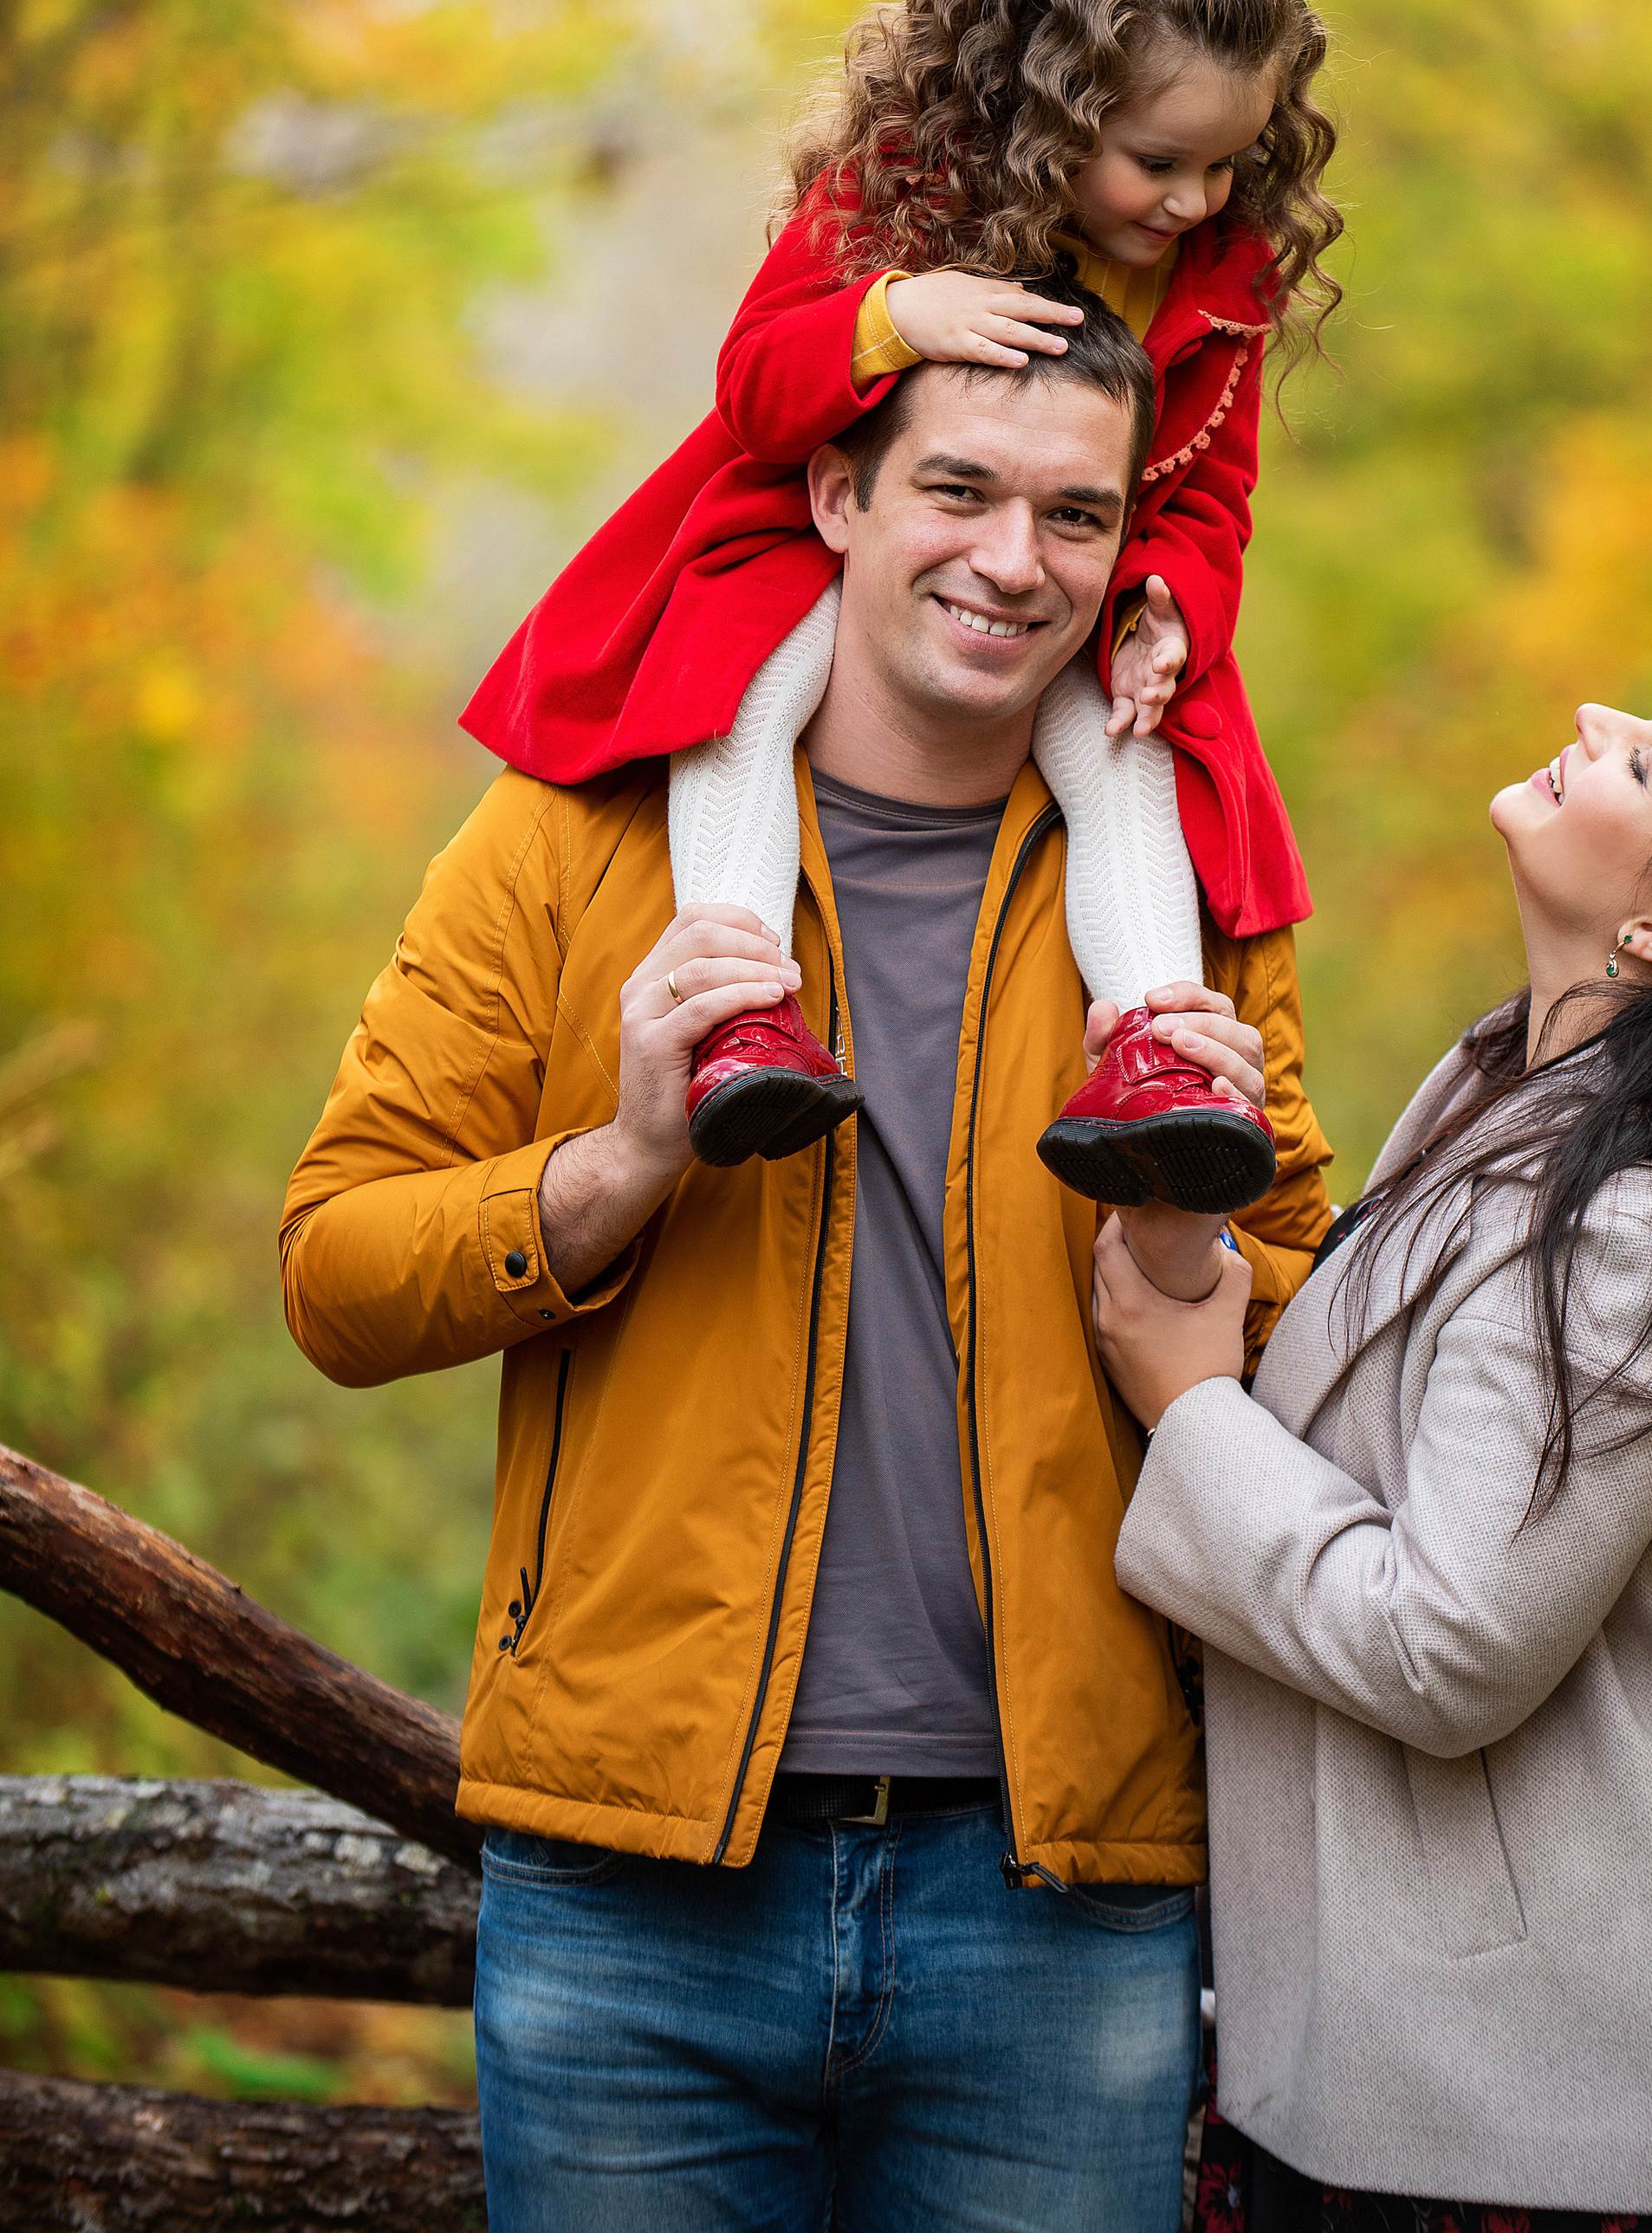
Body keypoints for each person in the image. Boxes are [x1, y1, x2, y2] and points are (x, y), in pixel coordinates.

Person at [280, 288, 1334, 2233]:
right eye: (959, 490)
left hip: (1062, 1888)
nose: (1015, 562)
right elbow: (336, 1272)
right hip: (636, 1882)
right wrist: (619, 1163)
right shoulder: (571, 839)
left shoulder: (1183, 883)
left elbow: (1316, 1343)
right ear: (838, 494)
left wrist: (1192, 1251)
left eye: (1077, 516)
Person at [1094, 676, 1652, 2233]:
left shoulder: (1636, 1226)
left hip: (1569, 2101)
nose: (1591, 714)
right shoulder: (1520, 1102)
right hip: (1484, 2067)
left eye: (1647, 755)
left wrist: (1191, 1408)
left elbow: (1448, 1642)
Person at [461, 0, 1339, 1215]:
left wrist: (1174, 604)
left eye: (1229, 165)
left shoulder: (1215, 274)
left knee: (1129, 751)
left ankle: (1160, 1057)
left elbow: (1212, 491)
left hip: (1072, 579)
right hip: (813, 531)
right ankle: (739, 1007)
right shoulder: (909, 185)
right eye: (1159, 160)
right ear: (1059, 107)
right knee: (746, 696)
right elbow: (756, 386)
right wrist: (895, 316)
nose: (1192, 201)